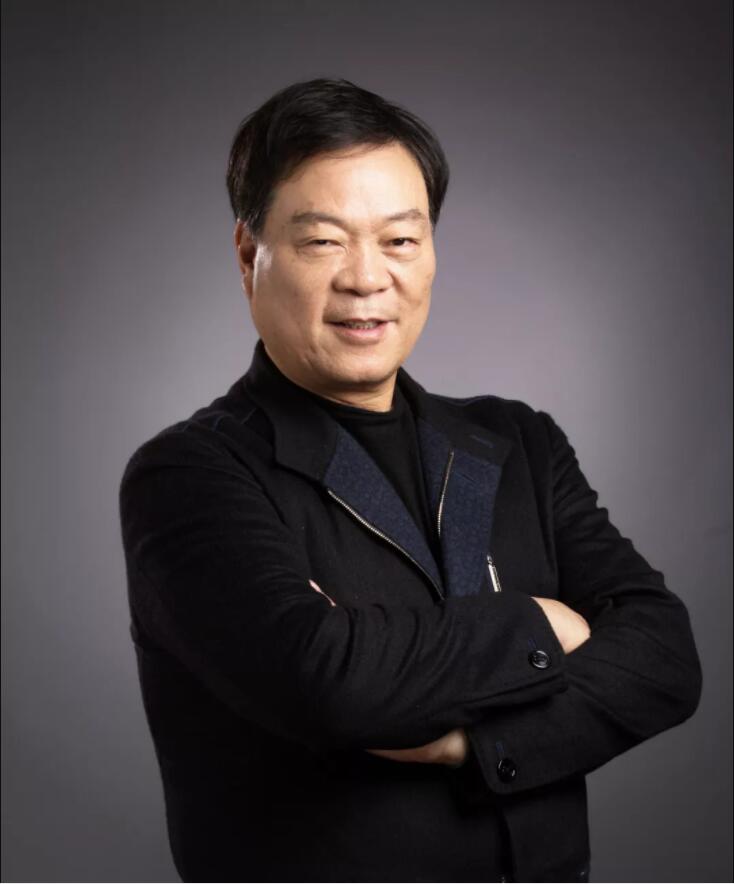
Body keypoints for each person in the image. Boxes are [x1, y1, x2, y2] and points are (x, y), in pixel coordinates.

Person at [118, 78, 702, 883]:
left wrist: (476, 743)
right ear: (250, 255)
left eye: (399, 239)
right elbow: (328, 683)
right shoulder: (191, 475)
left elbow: (665, 658)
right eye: (324, 242)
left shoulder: (518, 442)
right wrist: (543, 621)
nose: (367, 278)